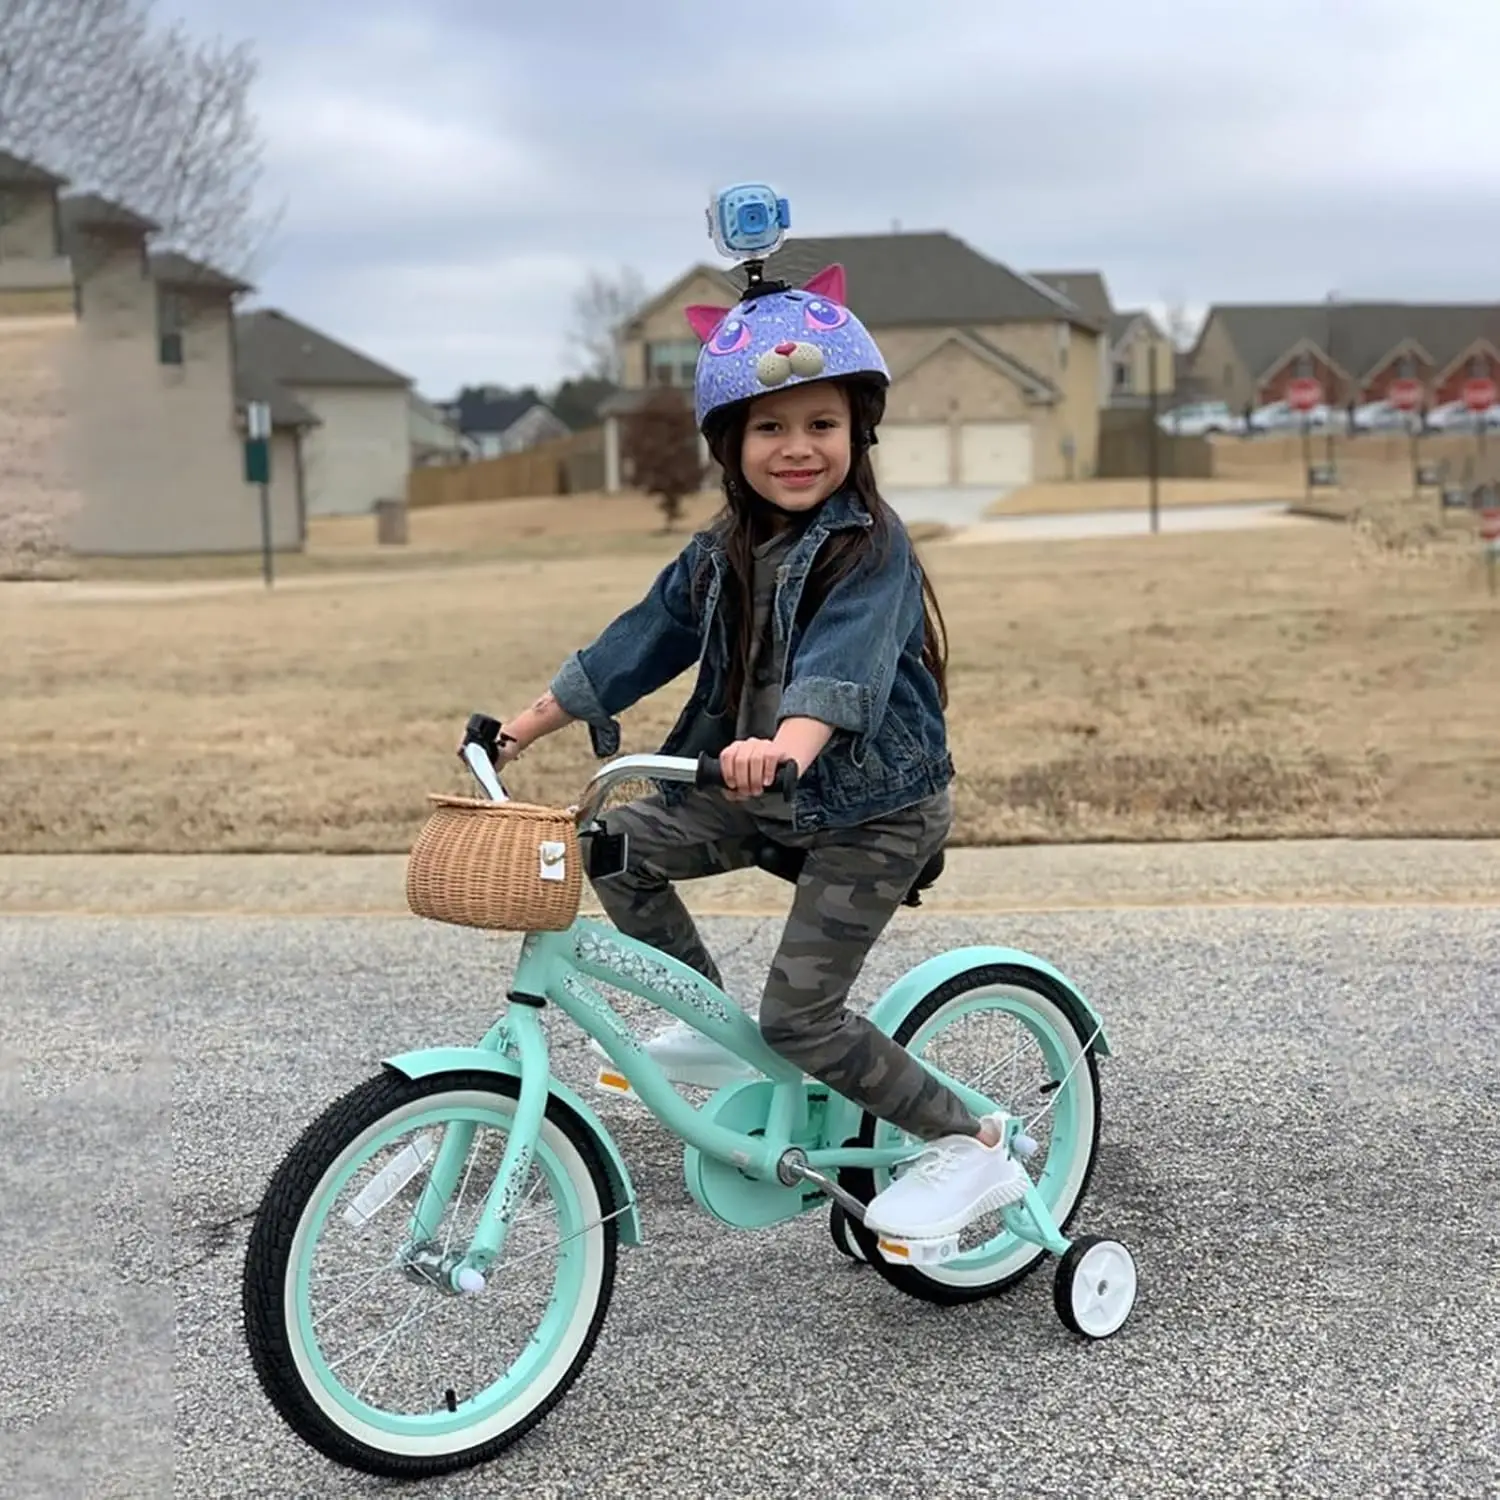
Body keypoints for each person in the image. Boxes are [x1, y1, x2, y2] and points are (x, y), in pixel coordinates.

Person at [486, 262, 1027, 1242]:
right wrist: (521, 726)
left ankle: (970, 1141)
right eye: (770, 427)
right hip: (763, 786)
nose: (797, 447)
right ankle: (702, 1021)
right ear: (730, 444)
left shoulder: (873, 548)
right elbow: (636, 642)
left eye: (821, 424)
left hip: (871, 808)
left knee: (800, 1019)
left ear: (858, 432)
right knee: (614, 845)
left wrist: (785, 744)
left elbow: (841, 669)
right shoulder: (719, 551)